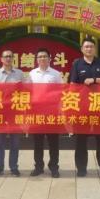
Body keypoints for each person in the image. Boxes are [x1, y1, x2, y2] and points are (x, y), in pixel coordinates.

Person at [69, 37, 100, 177]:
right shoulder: (77, 64)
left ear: (95, 49)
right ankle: (81, 169)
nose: (89, 49)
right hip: (82, 108)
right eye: (86, 47)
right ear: (82, 49)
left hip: (99, 105)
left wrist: (94, 80)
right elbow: (72, 85)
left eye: (91, 46)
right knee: (81, 140)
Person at [29, 47, 64, 178]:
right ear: (36, 59)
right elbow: (28, 92)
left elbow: (61, 92)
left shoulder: (56, 74)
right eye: (40, 57)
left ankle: (54, 167)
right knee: (37, 142)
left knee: (53, 142)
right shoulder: (32, 74)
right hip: (36, 112)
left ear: (50, 59)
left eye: (45, 56)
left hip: (52, 112)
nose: (42, 58)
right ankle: (38, 167)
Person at [0, 49, 24, 177]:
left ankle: (14, 167)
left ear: (13, 58)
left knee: (15, 142)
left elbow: (26, 91)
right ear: (1, 59)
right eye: (6, 56)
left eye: (10, 56)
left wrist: (19, 87)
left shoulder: (20, 74)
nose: (8, 58)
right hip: (0, 111)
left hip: (15, 112)